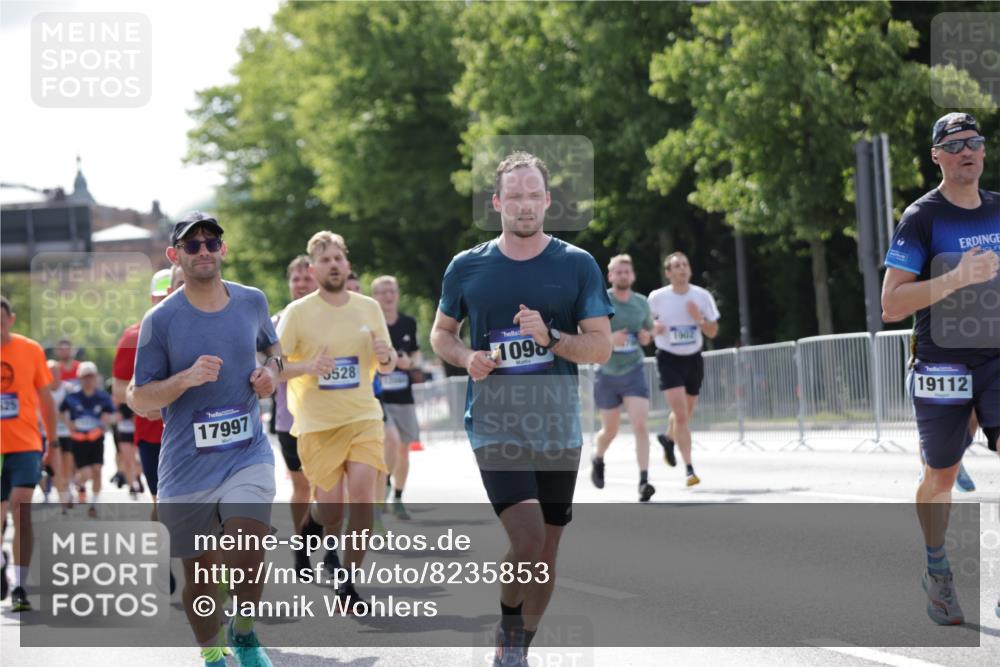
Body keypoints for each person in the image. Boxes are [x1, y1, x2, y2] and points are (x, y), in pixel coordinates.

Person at [430, 151, 612, 667]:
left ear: (548, 201)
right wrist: (467, 357)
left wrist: (552, 337)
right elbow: (441, 334)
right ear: (497, 203)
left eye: (534, 195)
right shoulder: (467, 267)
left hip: (557, 426)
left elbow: (599, 347)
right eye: (515, 196)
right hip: (494, 424)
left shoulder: (577, 265)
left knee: (546, 555)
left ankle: (517, 646)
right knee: (529, 541)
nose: (525, 205)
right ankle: (510, 635)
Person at [128, 211, 281, 666]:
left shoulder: (252, 300)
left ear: (223, 250)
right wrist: (185, 379)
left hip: (246, 451)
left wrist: (271, 373)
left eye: (211, 242)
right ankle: (213, 654)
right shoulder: (161, 320)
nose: (203, 251)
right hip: (187, 464)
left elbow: (274, 348)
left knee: (248, 545)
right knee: (200, 574)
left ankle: (246, 633)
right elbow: (139, 396)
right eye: (191, 246)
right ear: (175, 256)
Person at [881, 112, 999, 625]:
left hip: (996, 356)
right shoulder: (922, 217)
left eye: (974, 142)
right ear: (937, 157)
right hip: (941, 360)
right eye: (954, 145)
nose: (966, 151)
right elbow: (891, 304)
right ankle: (937, 569)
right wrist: (956, 277)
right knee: (941, 477)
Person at [277, 231, 396, 614]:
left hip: (363, 416)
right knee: (332, 510)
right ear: (313, 269)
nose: (333, 265)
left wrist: (387, 355)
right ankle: (311, 528)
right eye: (324, 260)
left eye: (338, 258)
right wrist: (308, 367)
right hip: (316, 424)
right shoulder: (298, 313)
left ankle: (348, 580)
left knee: (361, 500)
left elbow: (389, 362)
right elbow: (272, 366)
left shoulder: (368, 308)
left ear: (347, 264)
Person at [112, 265, 183, 592]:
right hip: (154, 435)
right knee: (164, 504)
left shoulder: (206, 323)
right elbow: (117, 390)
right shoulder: (135, 335)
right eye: (163, 295)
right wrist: (151, 405)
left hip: (197, 432)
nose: (170, 299)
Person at [1, 296, 58, 612]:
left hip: (25, 444)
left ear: (11, 319)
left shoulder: (29, 350)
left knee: (20, 508)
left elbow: (45, 397)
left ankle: (20, 585)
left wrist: (53, 441)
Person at [648, 252, 720, 487]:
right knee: (680, 415)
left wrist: (698, 318)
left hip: (693, 358)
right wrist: (653, 329)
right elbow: (645, 329)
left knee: (685, 413)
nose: (682, 269)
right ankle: (690, 469)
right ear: (668, 272)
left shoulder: (701, 296)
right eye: (676, 266)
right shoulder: (657, 298)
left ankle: (668, 439)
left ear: (689, 269)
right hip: (668, 358)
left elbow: (712, 332)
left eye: (685, 265)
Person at [589, 254, 656, 502]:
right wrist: (610, 339)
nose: (623, 275)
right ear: (610, 275)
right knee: (611, 430)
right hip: (606, 371)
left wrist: (648, 337)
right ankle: (598, 457)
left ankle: (644, 481)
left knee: (640, 424)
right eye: (618, 271)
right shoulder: (600, 300)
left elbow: (649, 331)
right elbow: (583, 333)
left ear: (633, 275)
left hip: (633, 368)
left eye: (627, 271)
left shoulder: (641, 303)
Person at [271, 255, 318, 563]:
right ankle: (301, 546)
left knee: (330, 490)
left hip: (332, 417)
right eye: (295, 280)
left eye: (306, 278)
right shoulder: (276, 322)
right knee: (303, 487)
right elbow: (273, 370)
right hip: (291, 419)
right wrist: (310, 367)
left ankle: (329, 551)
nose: (301, 285)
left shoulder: (334, 318)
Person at [372, 274, 422, 519]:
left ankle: (398, 496)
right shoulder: (370, 324)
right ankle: (384, 484)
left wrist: (408, 362)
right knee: (388, 442)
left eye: (392, 290)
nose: (388, 295)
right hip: (379, 399)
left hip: (404, 396)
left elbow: (417, 355)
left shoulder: (408, 323)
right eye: (382, 291)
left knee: (404, 449)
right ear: (374, 297)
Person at [60, 361, 114, 517]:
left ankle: (94, 504)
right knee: (86, 472)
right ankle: (77, 484)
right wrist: (68, 423)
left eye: (91, 376)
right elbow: (61, 411)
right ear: (79, 378)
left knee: (97, 470)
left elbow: (111, 414)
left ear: (96, 377)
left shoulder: (102, 396)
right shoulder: (72, 397)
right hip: (79, 439)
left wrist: (105, 421)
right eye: (85, 377)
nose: (88, 380)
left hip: (96, 438)